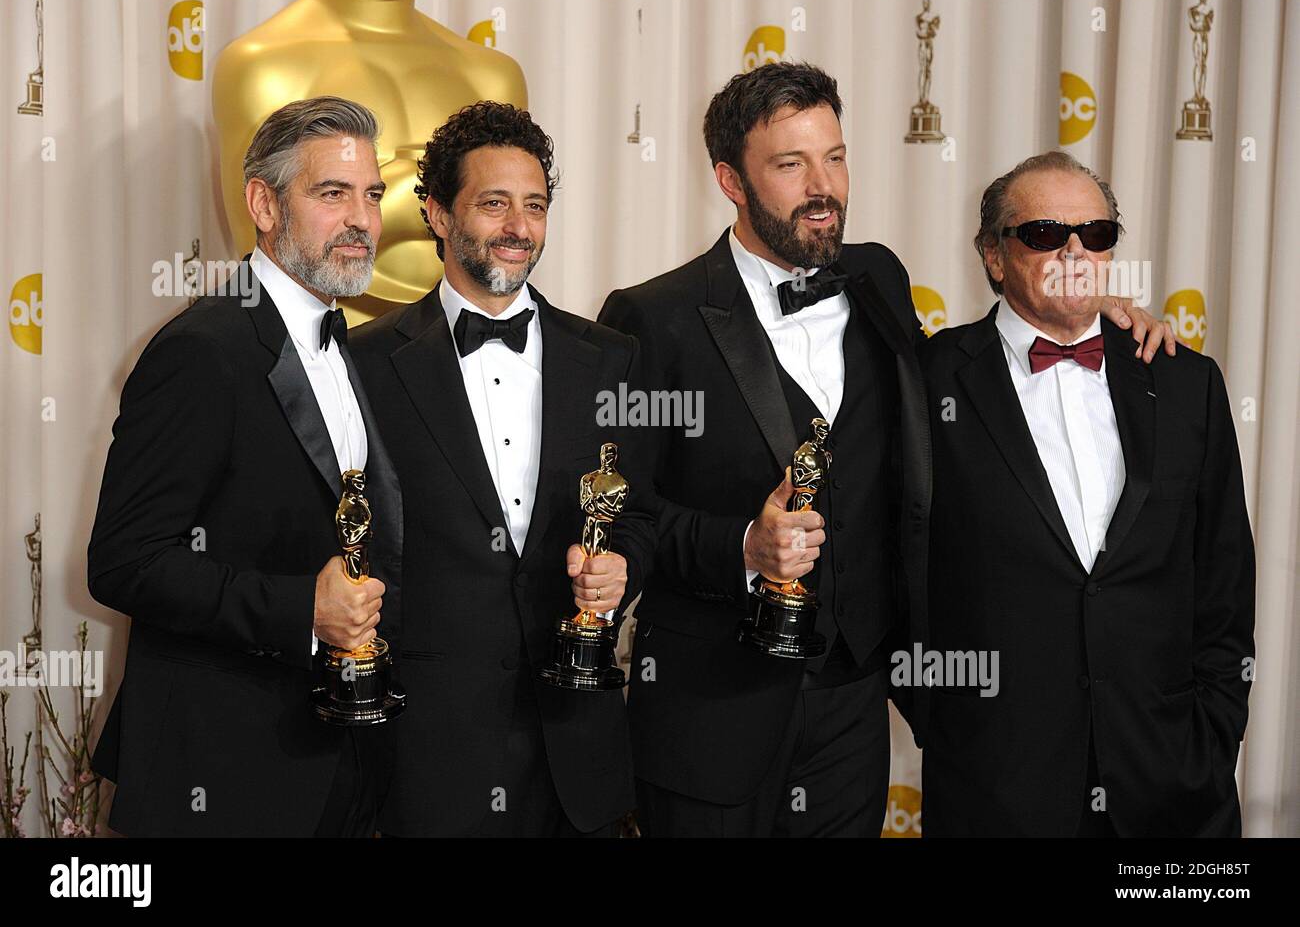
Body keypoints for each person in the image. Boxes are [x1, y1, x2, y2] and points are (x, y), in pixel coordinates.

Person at [599, 63, 1173, 837]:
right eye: (791, 164)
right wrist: (740, 545)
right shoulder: (652, 315)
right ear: (731, 180)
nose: (823, 185)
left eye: (834, 157)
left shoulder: (878, 277)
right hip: (711, 717)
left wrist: (1087, 305)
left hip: (854, 711)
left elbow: (971, 380)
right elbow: (623, 513)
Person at [88, 97, 401, 836]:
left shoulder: (346, 340)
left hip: (340, 766)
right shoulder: (202, 348)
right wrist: (301, 610)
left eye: (373, 194)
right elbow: (124, 561)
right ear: (263, 202)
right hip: (219, 779)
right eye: (333, 193)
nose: (362, 219)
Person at [919, 151, 1254, 836]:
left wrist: (1214, 734)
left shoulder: (1188, 382)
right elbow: (893, 574)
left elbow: (1224, 580)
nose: (1074, 250)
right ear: (993, 255)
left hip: (1172, 788)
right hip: (995, 791)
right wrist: (955, 725)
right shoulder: (927, 382)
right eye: (1045, 234)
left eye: (1096, 235)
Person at [350, 102, 654, 837]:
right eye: (494, 203)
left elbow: (640, 516)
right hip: (428, 755)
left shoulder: (612, 357)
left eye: (535, 205)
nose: (519, 227)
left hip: (576, 753)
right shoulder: (363, 364)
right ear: (437, 215)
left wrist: (620, 573)